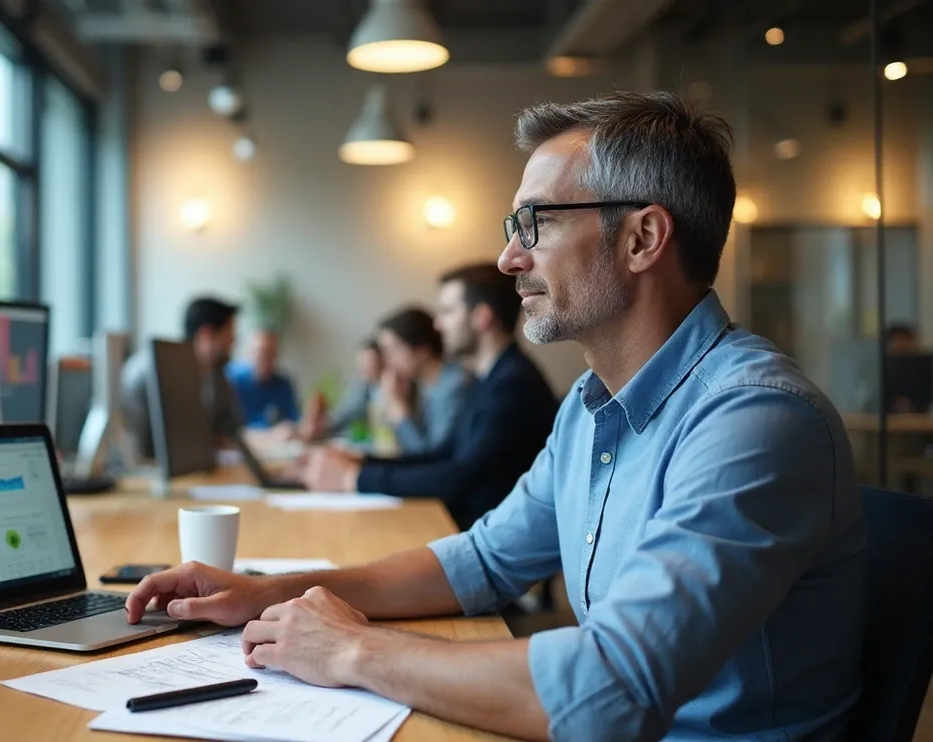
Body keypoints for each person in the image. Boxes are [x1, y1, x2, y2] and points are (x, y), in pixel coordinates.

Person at [125, 92, 865, 740]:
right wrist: (267, 592)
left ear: (642, 238)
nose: (510, 257)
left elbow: (611, 694)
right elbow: (479, 562)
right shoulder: (591, 407)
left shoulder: (756, 421)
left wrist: (352, 650)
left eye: (534, 223)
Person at [303, 264, 557, 530]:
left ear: (482, 317)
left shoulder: (512, 385)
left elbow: (458, 478)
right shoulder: (491, 380)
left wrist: (354, 479)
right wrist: (362, 462)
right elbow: (444, 454)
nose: (437, 324)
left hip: (487, 539)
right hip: (468, 527)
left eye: (448, 311)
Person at [121, 296, 242, 459]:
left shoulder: (217, 376)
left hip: (195, 468)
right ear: (207, 335)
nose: (234, 340)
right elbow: (135, 448)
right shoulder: (148, 371)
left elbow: (229, 432)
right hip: (148, 469)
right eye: (229, 333)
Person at [371, 307, 470, 455]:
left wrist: (399, 409)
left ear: (423, 350)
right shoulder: (423, 384)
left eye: (392, 350)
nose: (387, 360)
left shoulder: (454, 386)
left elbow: (430, 457)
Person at [301, 339, 384, 443]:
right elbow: (345, 412)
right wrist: (321, 423)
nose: (363, 373)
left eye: (369, 367)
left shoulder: (390, 389)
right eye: (361, 367)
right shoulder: (362, 382)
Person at [227, 329, 300, 430]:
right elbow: (232, 428)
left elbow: (294, 420)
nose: (266, 359)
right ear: (250, 353)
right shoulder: (232, 380)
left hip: (279, 443)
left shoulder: (283, 383)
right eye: (261, 353)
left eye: (271, 354)